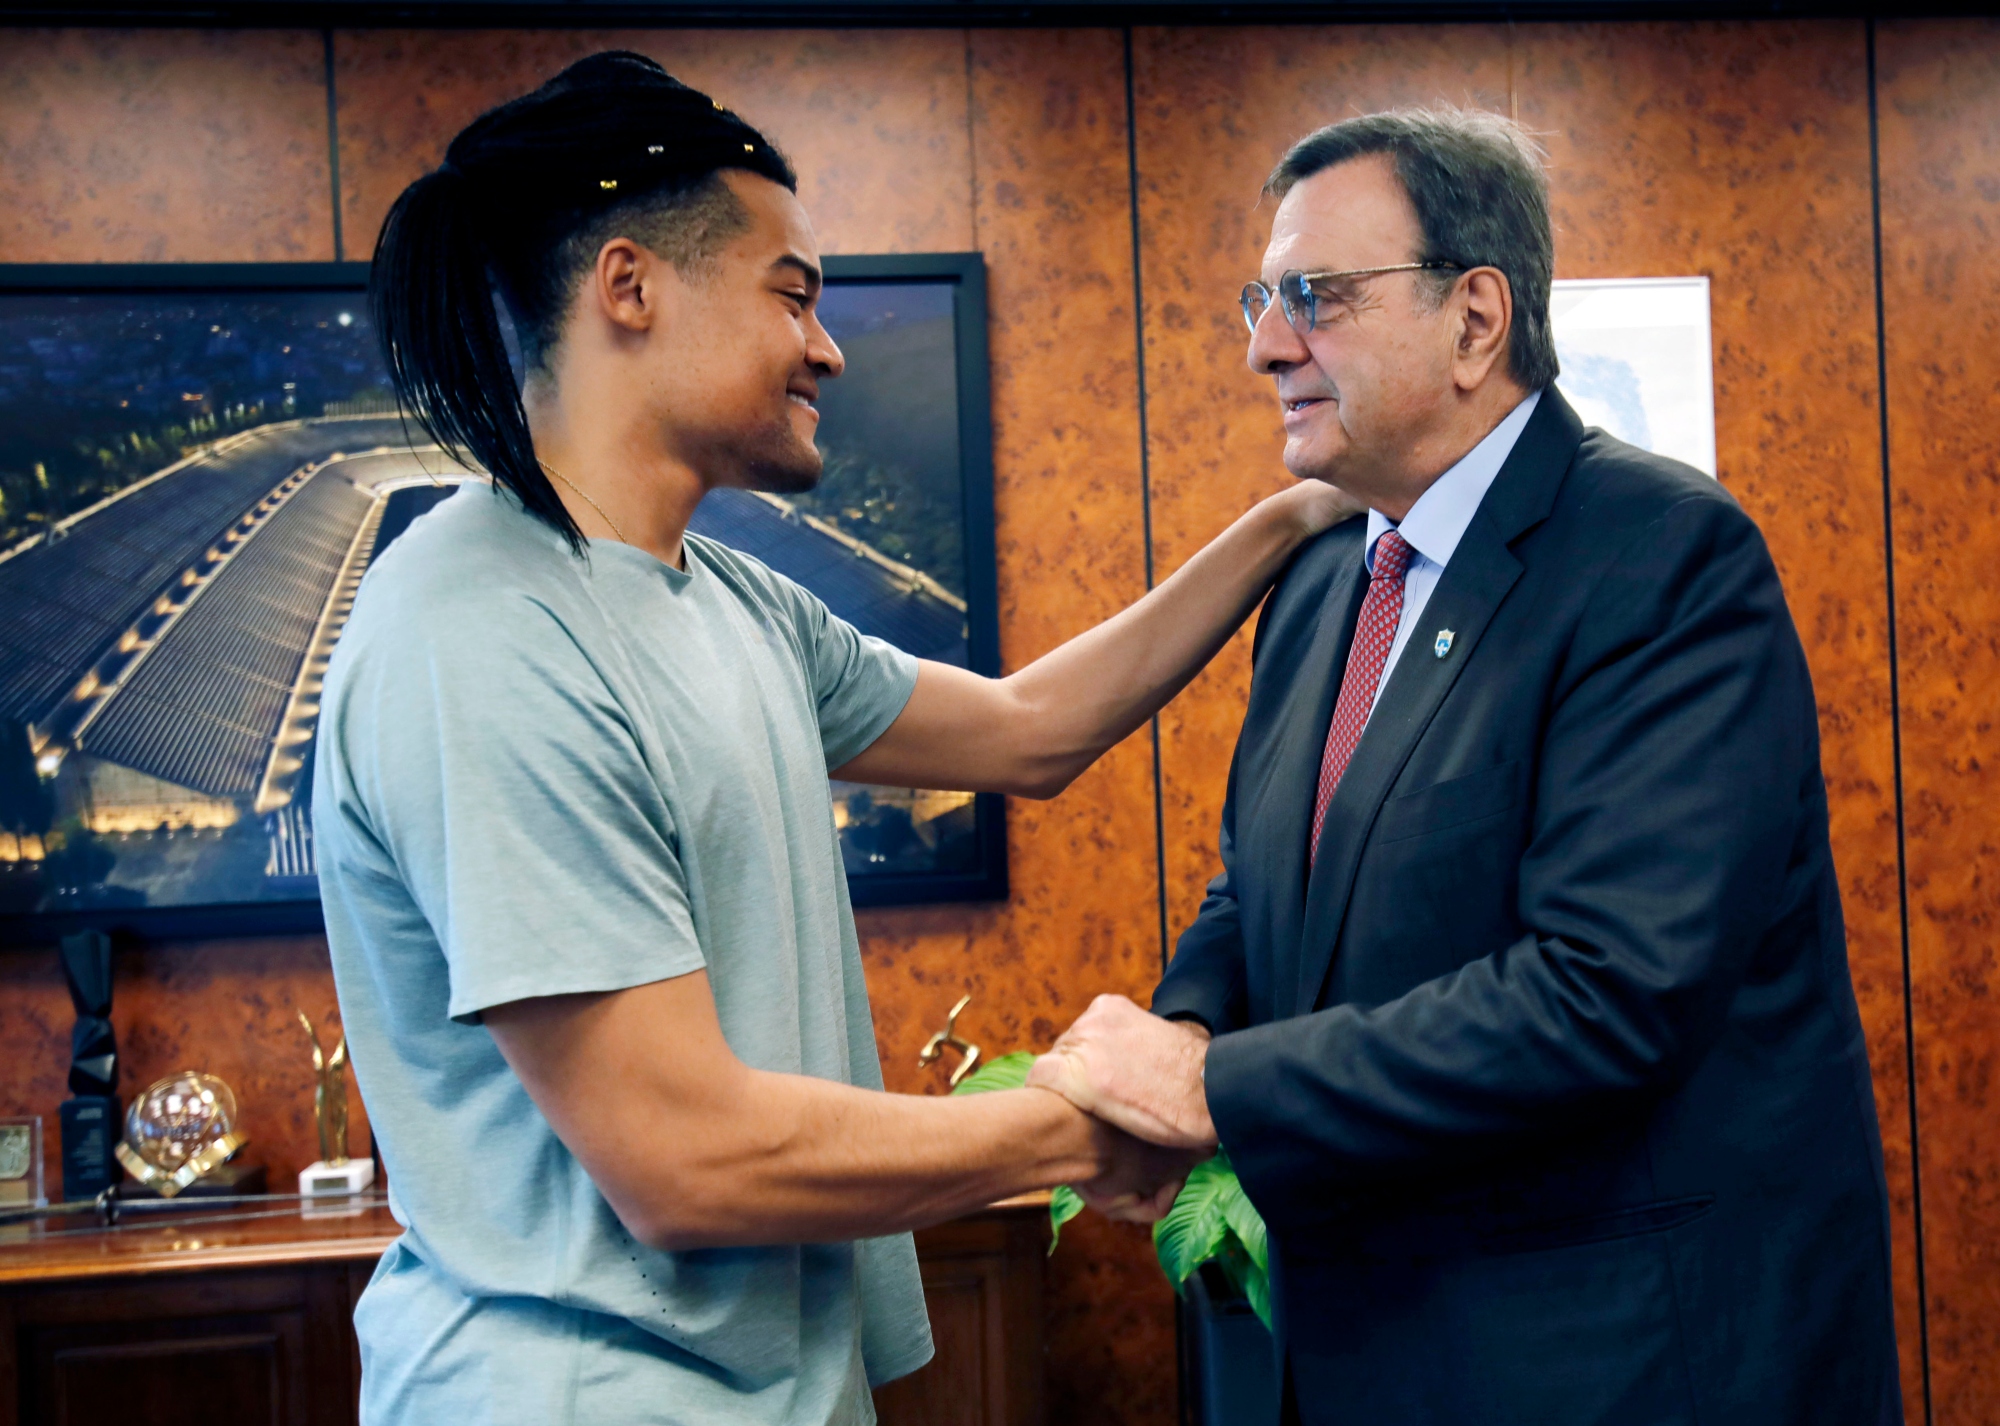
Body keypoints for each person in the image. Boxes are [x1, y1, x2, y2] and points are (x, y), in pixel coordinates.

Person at [314, 52, 1356, 1426]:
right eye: (791, 294)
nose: (827, 346)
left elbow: (1030, 729)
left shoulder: (729, 599)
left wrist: (1295, 516)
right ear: (630, 287)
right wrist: (1089, 1123)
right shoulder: (480, 630)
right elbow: (682, 1159)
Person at [1030, 108, 1903, 1425]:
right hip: (1361, 1348)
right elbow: (1267, 887)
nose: (1268, 344)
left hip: (1606, 1366)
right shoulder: (1323, 581)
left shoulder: (1661, 555)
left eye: (1316, 297)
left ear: (1476, 319)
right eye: (1263, 300)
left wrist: (1214, 1090)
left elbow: (1610, 992)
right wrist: (1189, 1024)